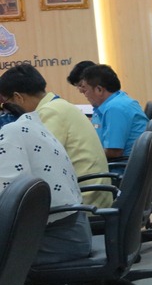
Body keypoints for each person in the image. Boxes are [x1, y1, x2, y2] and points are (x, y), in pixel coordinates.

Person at [0, 65, 112, 208]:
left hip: (83, 201)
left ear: (18, 97)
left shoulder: (48, 113)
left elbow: (39, 162)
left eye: (7, 103)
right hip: (91, 192)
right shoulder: (58, 105)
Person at [0, 112, 92, 265]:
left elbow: (8, 202)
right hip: (74, 231)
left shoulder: (12, 135)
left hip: (60, 240)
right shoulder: (33, 127)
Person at [79, 64, 148, 162]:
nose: (84, 93)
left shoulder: (115, 108)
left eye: (86, 90)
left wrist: (83, 156)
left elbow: (113, 152)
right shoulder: (118, 100)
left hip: (120, 167)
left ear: (99, 90)